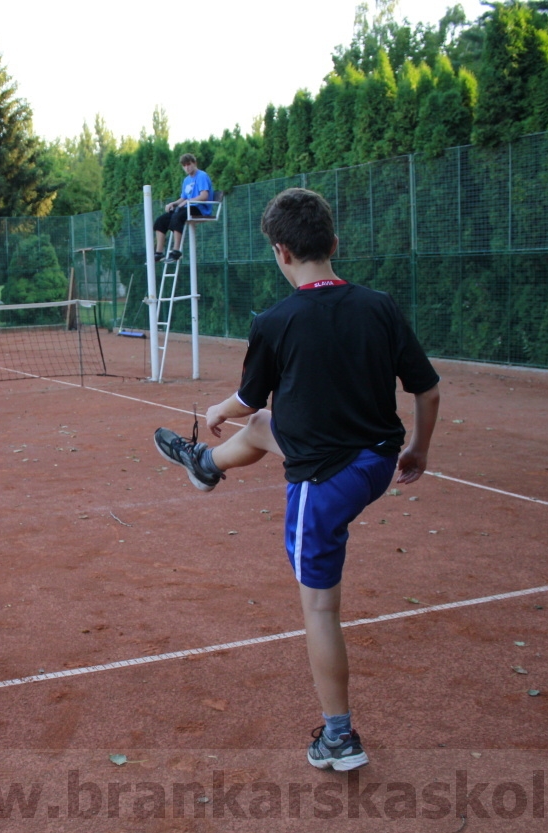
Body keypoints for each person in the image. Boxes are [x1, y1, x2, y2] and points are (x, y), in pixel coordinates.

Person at [154, 188, 441, 772]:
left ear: (280, 252)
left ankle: (340, 737)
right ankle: (206, 466)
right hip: (376, 458)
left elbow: (243, 395)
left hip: (324, 481)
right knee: (264, 426)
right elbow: (427, 389)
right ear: (333, 245)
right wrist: (418, 449)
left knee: (319, 611)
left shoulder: (276, 320)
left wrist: (214, 412)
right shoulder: (379, 305)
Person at [153, 153, 213, 262]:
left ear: (194, 163)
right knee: (161, 220)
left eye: (189, 164)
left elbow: (204, 196)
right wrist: (173, 203)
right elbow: (183, 198)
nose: (187, 167)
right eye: (184, 165)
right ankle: (159, 253)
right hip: (188, 207)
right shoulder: (186, 180)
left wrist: (187, 202)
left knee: (177, 216)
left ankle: (176, 251)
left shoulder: (202, 176)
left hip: (200, 208)